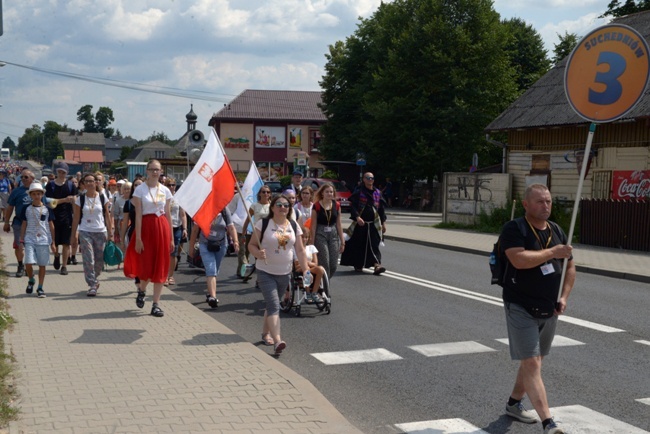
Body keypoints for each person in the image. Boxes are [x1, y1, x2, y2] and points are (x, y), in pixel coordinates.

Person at [500, 184, 575, 434]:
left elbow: (570, 268)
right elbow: (519, 260)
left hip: (549, 308)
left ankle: (513, 404)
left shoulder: (557, 230)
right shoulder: (515, 229)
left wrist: (563, 296)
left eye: (549, 202)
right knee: (531, 362)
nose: (546, 206)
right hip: (520, 305)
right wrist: (553, 252)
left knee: (535, 361)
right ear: (526, 204)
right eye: (540, 202)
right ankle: (548, 424)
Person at [247, 194, 310, 354]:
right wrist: (257, 253)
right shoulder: (264, 223)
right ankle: (277, 341)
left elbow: (300, 250)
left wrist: (305, 269)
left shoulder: (294, 226)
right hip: (265, 271)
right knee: (275, 305)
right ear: (273, 207)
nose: (283, 207)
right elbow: (252, 245)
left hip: (285, 273)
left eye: (286, 205)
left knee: (271, 304)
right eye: (279, 204)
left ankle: (265, 333)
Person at [123, 160, 173, 317]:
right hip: (146, 228)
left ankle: (156, 304)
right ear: (147, 171)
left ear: (161, 171)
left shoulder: (165, 190)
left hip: (162, 228)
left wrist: (171, 237)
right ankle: (142, 290)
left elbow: (168, 214)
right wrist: (138, 238)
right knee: (147, 268)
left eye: (157, 170)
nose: (154, 172)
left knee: (161, 267)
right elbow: (138, 214)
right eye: (152, 169)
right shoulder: (140, 190)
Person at [71, 173, 113, 296]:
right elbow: (76, 218)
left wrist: (110, 232)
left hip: (100, 231)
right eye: (87, 181)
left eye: (92, 181)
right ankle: (92, 284)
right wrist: (74, 235)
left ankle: (95, 277)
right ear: (83, 184)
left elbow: (107, 216)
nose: (90, 183)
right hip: (85, 231)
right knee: (88, 258)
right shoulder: (81, 199)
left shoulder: (102, 197)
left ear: (96, 183)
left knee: (99, 261)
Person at [188, 207, 239, 308]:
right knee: (211, 269)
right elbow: (195, 230)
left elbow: (231, 227)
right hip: (205, 244)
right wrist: (191, 248)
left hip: (221, 245)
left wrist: (236, 241)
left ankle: (210, 291)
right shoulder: (203, 210)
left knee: (215, 270)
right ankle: (213, 297)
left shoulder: (225, 211)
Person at [340, 172, 387, 275]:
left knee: (374, 244)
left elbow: (381, 209)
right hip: (361, 224)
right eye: (368, 178)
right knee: (359, 244)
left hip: (374, 224)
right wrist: (357, 217)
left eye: (372, 178)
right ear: (364, 180)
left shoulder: (377, 193)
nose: (370, 180)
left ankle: (377, 265)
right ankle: (358, 264)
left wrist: (383, 223)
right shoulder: (359, 192)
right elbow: (353, 206)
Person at [19, 182, 56, 298]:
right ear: (30, 195)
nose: (36, 196)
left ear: (42, 195)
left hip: (43, 239)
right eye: (34, 194)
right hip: (30, 238)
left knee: (42, 264)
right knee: (28, 262)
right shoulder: (26, 208)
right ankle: (31, 279)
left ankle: (40, 287)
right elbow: (24, 224)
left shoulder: (47, 209)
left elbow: (51, 226)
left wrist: (53, 242)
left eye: (38, 194)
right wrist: (21, 240)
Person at [45, 161, 78, 275]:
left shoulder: (70, 185)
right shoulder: (51, 185)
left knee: (66, 243)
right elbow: (48, 202)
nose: (61, 174)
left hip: (67, 217)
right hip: (53, 217)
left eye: (63, 172)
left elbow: (75, 200)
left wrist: (75, 216)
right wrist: (64, 200)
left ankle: (64, 266)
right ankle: (56, 255)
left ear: (67, 173)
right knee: (54, 241)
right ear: (56, 172)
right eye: (59, 171)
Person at [3, 170, 37, 277]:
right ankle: (20, 265)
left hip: (34, 224)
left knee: (31, 246)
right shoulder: (16, 191)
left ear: (32, 178)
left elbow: (45, 206)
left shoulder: (38, 191)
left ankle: (28, 266)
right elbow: (10, 208)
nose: (23, 179)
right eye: (22, 177)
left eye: (26, 177)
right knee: (19, 245)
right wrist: (7, 222)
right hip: (18, 222)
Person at [309, 183, 345, 282]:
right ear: (322, 193)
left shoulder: (337, 205)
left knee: (333, 264)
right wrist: (311, 242)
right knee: (325, 261)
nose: (329, 194)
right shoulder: (316, 206)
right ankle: (324, 286)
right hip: (320, 234)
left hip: (333, 233)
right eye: (327, 192)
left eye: (331, 192)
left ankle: (323, 282)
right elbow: (313, 225)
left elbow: (339, 224)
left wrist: (342, 241)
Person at [238, 185, 272, 279]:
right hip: (258, 234)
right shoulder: (254, 205)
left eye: (268, 192)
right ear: (259, 194)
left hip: (270, 234)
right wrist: (243, 233)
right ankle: (259, 279)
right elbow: (247, 220)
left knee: (268, 256)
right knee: (259, 256)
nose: (266, 194)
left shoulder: (273, 206)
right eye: (264, 192)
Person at [293, 231, 325, 302]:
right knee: (306, 269)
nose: (304, 239)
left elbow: (315, 263)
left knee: (320, 269)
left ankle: (314, 293)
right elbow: (296, 263)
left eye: (306, 237)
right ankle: (307, 293)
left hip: (311, 268)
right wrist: (307, 264)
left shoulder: (311, 247)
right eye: (303, 237)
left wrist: (306, 262)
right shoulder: (295, 249)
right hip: (299, 269)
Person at [165, 177, 186, 285]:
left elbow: (182, 214)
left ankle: (171, 276)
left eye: (173, 185)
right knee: (165, 253)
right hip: (165, 228)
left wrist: (185, 228)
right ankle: (164, 275)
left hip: (176, 227)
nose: (171, 187)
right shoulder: (162, 197)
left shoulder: (179, 198)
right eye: (169, 185)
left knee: (173, 253)